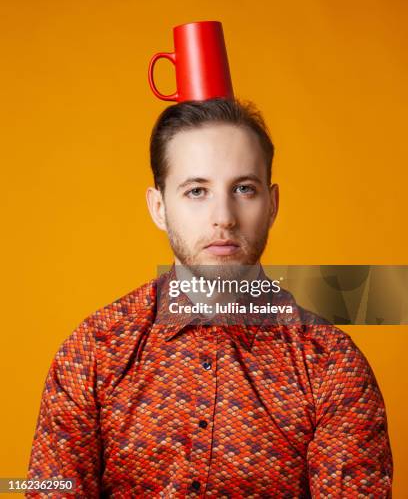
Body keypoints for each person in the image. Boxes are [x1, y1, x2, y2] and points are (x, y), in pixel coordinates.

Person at [26, 98, 393, 497]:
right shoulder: (94, 351)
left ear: (271, 205)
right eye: (197, 190)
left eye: (244, 189)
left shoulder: (331, 366)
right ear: (159, 207)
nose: (224, 216)